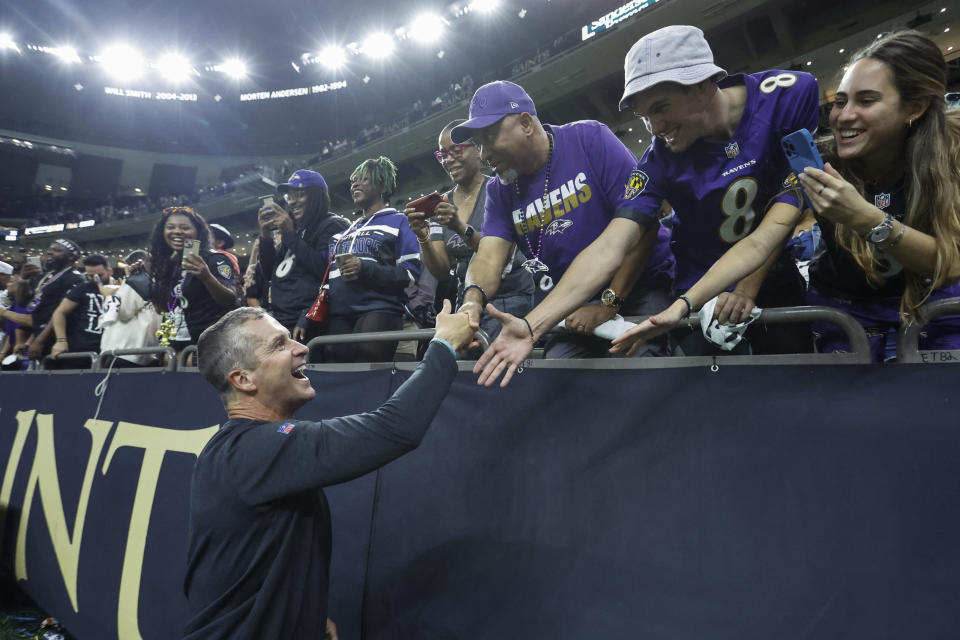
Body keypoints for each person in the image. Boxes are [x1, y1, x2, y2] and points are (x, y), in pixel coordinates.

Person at [471, 27, 819, 386]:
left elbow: (781, 216)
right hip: (696, 289)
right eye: (643, 116)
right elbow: (612, 244)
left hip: (772, 276)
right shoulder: (655, 162)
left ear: (703, 84)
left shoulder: (790, 94)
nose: (654, 128)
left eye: (661, 107)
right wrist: (532, 325)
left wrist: (747, 286)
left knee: (797, 384)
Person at [612, 31, 960, 360]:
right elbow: (764, 238)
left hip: (932, 304)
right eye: (840, 101)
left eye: (866, 101)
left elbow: (952, 264)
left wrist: (865, 218)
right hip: (846, 310)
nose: (843, 116)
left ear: (914, 107)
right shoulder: (815, 161)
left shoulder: (951, 157)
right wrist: (682, 306)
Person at [183, 301, 477, 639]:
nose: (301, 347)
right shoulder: (254, 450)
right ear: (243, 379)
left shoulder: (240, 452)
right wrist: (442, 346)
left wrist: (305, 615)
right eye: (279, 344)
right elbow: (395, 428)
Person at [451, 80, 676, 361]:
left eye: (490, 138)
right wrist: (471, 302)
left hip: (641, 285)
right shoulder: (500, 189)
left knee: (640, 372)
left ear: (525, 124)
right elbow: (488, 258)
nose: (484, 155)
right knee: (559, 373)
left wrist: (610, 303)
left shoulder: (589, 138)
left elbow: (645, 226)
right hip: (574, 298)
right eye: (478, 144)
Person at [404, 119, 535, 342]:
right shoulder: (442, 203)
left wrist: (459, 227)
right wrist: (422, 235)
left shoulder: (502, 190)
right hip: (466, 302)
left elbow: (499, 256)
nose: (448, 160)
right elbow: (441, 271)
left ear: (478, 148)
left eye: (456, 150)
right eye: (442, 154)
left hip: (510, 297)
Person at [325, 157, 421, 362]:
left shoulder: (400, 221)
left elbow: (411, 274)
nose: (355, 184)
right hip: (340, 313)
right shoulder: (344, 232)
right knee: (335, 369)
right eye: (353, 181)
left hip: (379, 310)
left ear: (383, 187)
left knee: (368, 371)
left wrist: (364, 268)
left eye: (364, 179)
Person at [256, 170, 349, 340]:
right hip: (282, 320)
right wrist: (265, 236)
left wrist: (290, 233)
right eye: (289, 197)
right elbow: (269, 272)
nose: (292, 202)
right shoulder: (295, 230)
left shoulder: (333, 225)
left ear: (316, 196)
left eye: (299, 195)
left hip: (308, 322)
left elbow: (326, 272)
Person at [149, 206, 241, 352]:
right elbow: (165, 308)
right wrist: (147, 284)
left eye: (185, 227)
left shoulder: (215, 259)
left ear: (198, 232)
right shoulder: (172, 265)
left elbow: (231, 300)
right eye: (170, 227)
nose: (177, 231)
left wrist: (206, 277)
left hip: (217, 342)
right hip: (187, 341)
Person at [96, 250, 162, 367]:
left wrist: (108, 296)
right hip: (146, 353)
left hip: (123, 352)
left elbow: (123, 312)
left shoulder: (135, 281)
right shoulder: (159, 285)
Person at [24, 239, 85, 361]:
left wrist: (40, 340)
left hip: (57, 339)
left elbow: (61, 313)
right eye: (50, 249)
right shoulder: (47, 276)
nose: (50, 252)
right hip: (38, 336)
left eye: (57, 250)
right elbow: (24, 303)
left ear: (71, 257)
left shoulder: (75, 278)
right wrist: (22, 280)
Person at [49, 254, 112, 364]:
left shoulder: (121, 288)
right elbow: (59, 312)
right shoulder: (83, 288)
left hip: (109, 348)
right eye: (90, 276)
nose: (95, 279)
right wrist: (61, 340)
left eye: (99, 275)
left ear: (110, 271)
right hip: (81, 349)